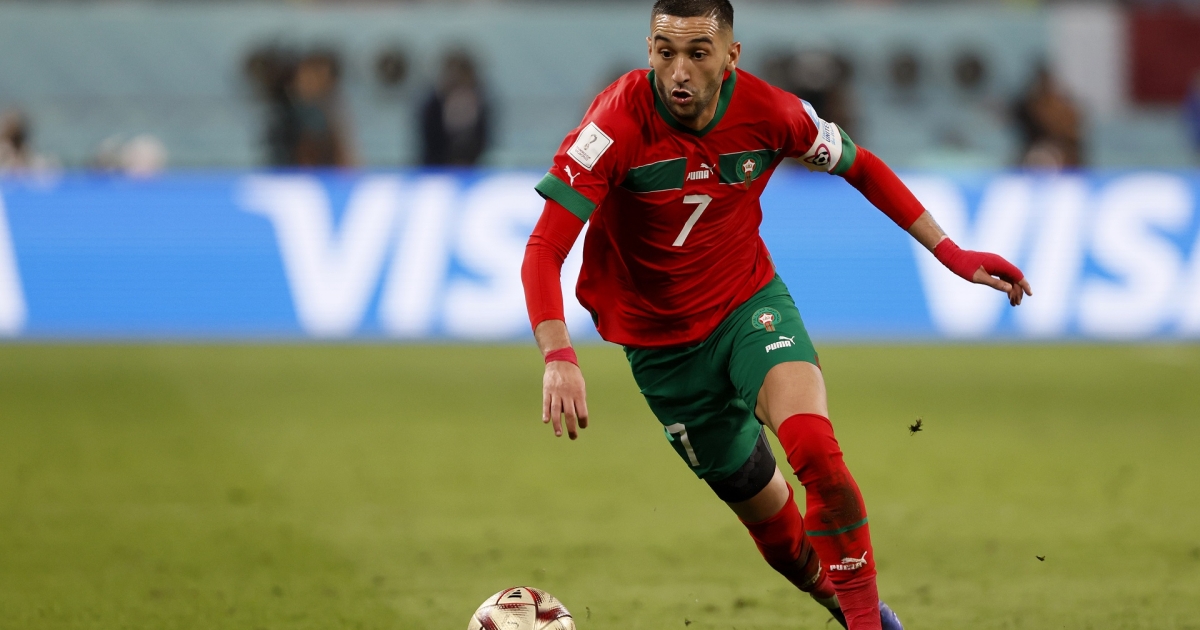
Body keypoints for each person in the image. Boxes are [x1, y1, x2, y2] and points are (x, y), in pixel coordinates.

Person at [521, 1, 1033, 629]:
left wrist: (952, 253)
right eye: (664, 52)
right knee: (780, 533)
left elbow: (861, 166)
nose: (678, 71)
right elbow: (544, 249)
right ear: (649, 49)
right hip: (662, 352)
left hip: (747, 308)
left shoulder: (772, 112)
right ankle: (852, 609)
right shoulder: (614, 126)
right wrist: (559, 356)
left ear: (730, 57)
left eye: (697, 54)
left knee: (815, 448)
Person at [419, 49, 491, 166]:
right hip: (437, 167)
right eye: (452, 76)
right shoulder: (433, 106)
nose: (457, 79)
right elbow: (429, 142)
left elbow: (484, 141)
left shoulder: (481, 104)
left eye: (461, 75)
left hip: (473, 167)